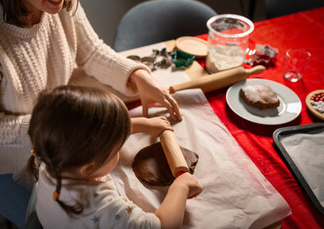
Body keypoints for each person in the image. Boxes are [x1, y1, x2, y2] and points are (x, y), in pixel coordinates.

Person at [0, 0, 181, 181]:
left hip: (63, 132)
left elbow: (92, 52)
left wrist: (138, 76)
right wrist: (61, 127)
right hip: (7, 160)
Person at [26, 85, 202, 229]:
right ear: (89, 168)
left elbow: (94, 130)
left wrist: (143, 124)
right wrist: (180, 187)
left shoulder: (50, 156)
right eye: (116, 148)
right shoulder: (101, 207)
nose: (119, 148)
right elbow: (163, 225)